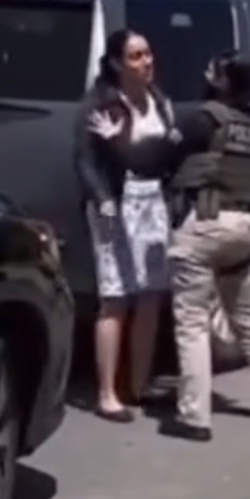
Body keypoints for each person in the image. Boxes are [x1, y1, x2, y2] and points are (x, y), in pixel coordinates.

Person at [87, 52, 250, 442]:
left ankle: (194, 417)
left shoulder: (203, 119)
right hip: (243, 228)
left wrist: (117, 141)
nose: (204, 72)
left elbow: (151, 161)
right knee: (248, 316)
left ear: (221, 82)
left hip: (202, 228)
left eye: (211, 69)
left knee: (192, 323)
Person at [73, 29, 175, 423]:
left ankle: (139, 384)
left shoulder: (158, 101)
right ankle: (106, 393)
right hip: (116, 205)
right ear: (117, 63)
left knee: (150, 294)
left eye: (147, 54)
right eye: (135, 56)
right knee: (115, 297)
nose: (146, 62)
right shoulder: (100, 105)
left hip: (153, 204)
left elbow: (167, 150)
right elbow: (84, 161)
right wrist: (103, 201)